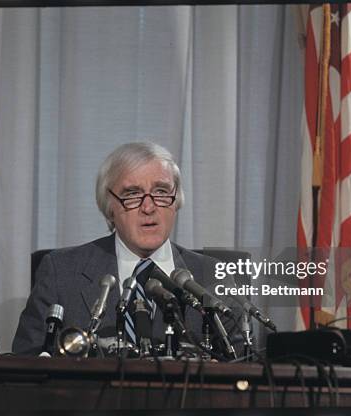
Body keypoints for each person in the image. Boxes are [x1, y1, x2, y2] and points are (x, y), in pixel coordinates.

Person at [12, 142, 224, 355]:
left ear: (176, 201)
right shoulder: (61, 271)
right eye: (132, 194)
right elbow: (27, 360)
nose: (148, 208)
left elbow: (243, 362)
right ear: (109, 206)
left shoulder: (213, 277)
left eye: (161, 191)